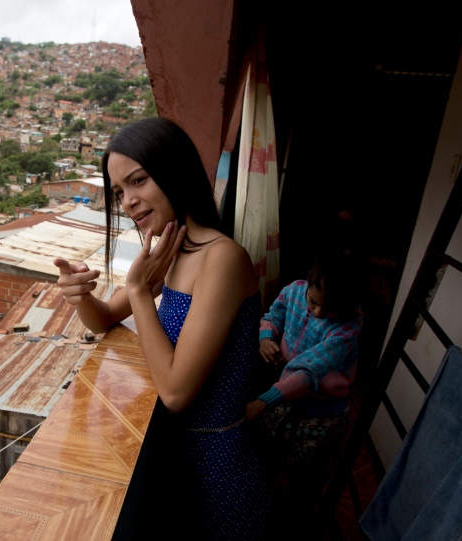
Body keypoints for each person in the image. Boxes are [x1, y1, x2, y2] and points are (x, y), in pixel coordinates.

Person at [54, 117, 269, 540]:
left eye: (138, 181)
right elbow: (102, 319)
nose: (129, 201)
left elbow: (174, 392)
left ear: (174, 171)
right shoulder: (173, 251)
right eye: (120, 192)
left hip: (218, 464)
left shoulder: (220, 258)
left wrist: (137, 289)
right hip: (179, 459)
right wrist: (78, 293)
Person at [245, 250, 363, 515]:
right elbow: (273, 315)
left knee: (306, 479)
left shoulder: (347, 329)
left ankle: (294, 522)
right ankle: (262, 510)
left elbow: (308, 371)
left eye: (331, 309)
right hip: (285, 398)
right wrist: (265, 337)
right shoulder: (294, 291)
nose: (319, 312)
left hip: (323, 416)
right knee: (266, 456)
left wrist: (263, 402)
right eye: (313, 302)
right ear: (308, 280)